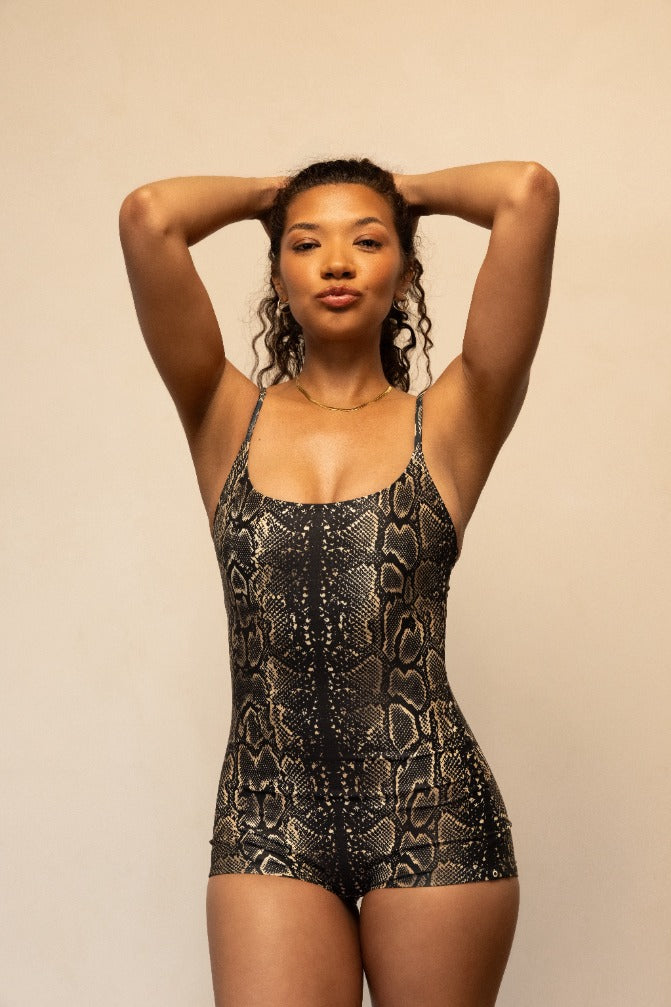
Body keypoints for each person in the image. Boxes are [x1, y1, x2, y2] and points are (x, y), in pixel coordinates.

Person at [119, 156, 559, 1007]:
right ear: (277, 273)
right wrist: (271, 194)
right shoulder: (220, 410)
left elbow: (526, 194)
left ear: (403, 269)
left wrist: (406, 191)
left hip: (433, 809)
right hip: (266, 812)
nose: (335, 260)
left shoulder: (456, 417)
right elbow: (149, 217)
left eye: (367, 240)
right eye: (304, 243)